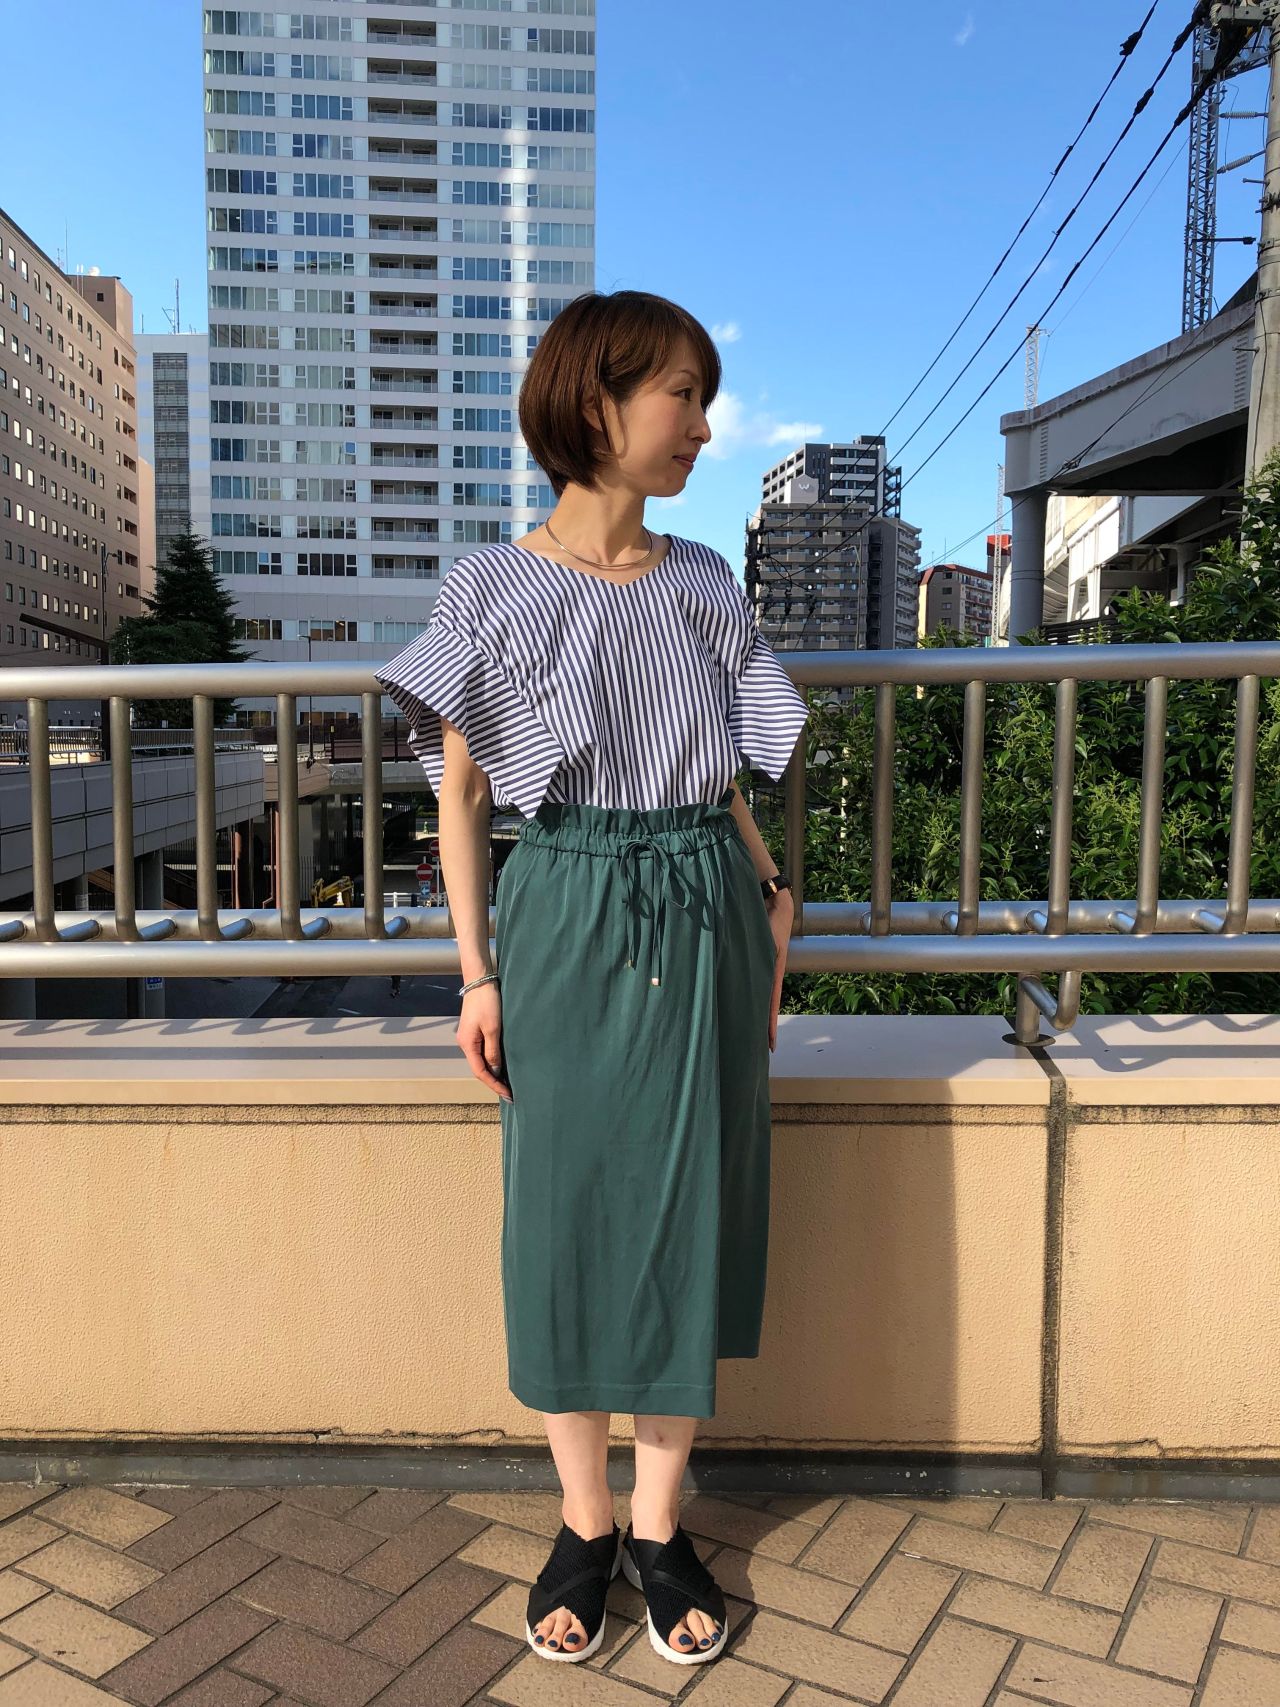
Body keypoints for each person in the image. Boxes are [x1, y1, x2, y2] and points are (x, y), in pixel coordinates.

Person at [375, 290, 807, 1669]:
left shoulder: (705, 581)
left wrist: (775, 902)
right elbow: (460, 799)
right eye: (683, 394)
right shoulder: (488, 588)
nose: (703, 425)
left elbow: (729, 775)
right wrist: (474, 975)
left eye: (705, 397)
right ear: (595, 401)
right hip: (562, 898)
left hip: (706, 902)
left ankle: (661, 1527)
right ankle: (582, 1521)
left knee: (691, 1203)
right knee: (560, 1214)